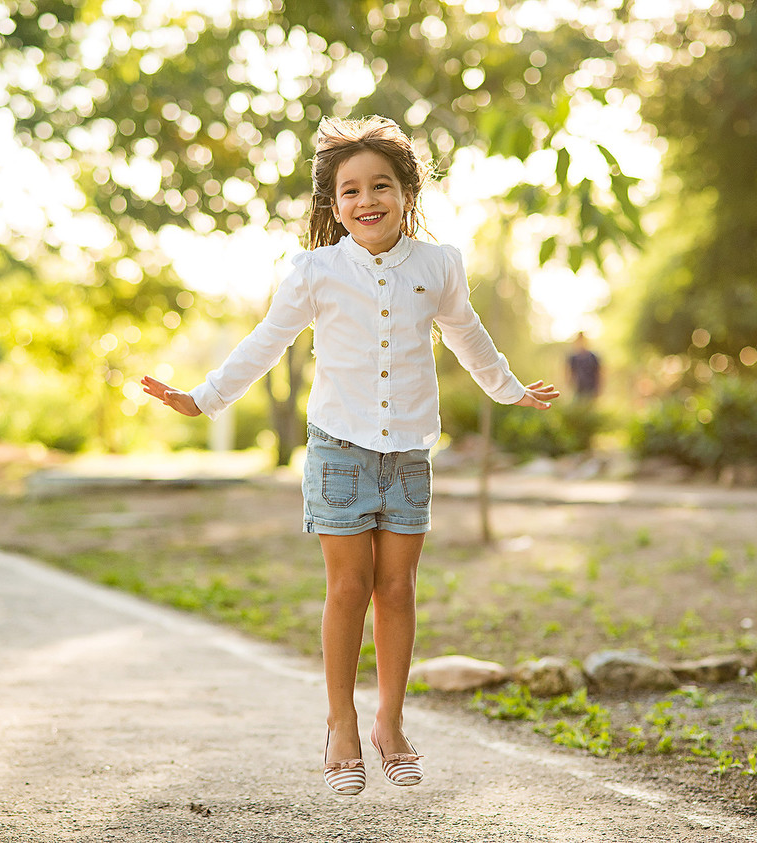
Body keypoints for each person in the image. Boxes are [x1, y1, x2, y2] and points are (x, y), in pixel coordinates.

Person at [141, 116, 558, 796]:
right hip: (339, 450)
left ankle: (389, 724)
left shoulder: (439, 264)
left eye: (382, 186)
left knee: (397, 589)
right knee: (347, 588)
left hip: (408, 454)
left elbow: (468, 336)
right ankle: (341, 722)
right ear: (333, 206)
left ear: (406, 192)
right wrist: (203, 397)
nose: (368, 200)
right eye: (351, 191)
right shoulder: (314, 270)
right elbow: (264, 341)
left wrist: (508, 388)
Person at [566, 332, 602, 403]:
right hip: (578, 389)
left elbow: (599, 373)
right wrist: (568, 386)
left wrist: (599, 388)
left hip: (591, 389)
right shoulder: (573, 358)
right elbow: (569, 373)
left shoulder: (593, 357)